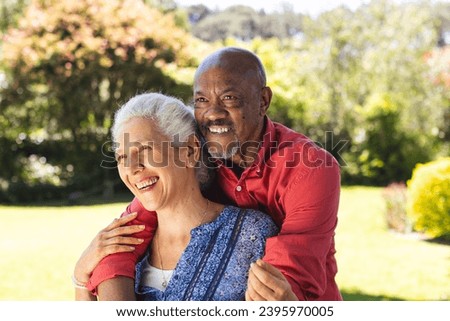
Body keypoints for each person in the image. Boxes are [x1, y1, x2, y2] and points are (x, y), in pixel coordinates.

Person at [77, 47, 342, 301]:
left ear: (263, 101)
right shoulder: (195, 152)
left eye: (229, 98)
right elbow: (126, 237)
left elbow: (287, 277)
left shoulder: (310, 167)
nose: (213, 114)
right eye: (202, 100)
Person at [73, 92, 279, 300]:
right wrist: (81, 278)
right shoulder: (119, 247)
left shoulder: (252, 233)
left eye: (144, 150)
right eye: (122, 157)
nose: (132, 168)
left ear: (189, 150)